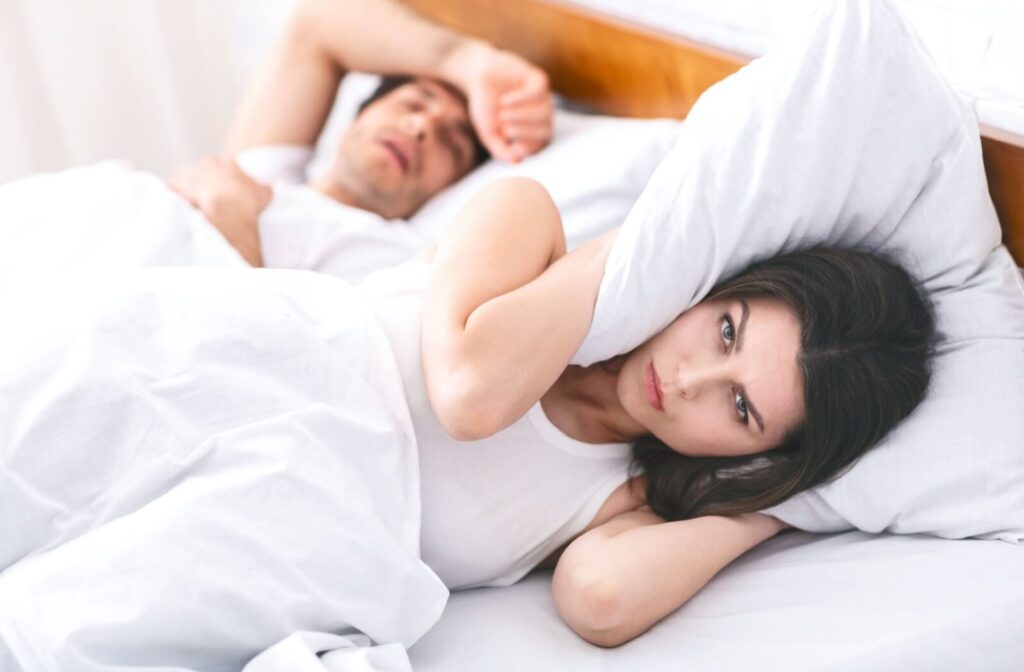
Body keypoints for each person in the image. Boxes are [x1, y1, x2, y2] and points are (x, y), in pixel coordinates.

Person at [389, 176, 936, 647]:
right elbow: (469, 397)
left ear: (758, 454)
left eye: (740, 408)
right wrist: (633, 245)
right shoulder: (524, 225)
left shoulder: (624, 501)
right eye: (727, 332)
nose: (688, 382)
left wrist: (778, 507)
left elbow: (600, 599)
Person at [168, 0, 554, 278]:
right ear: (359, 114)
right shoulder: (261, 175)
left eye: (452, 145)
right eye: (413, 102)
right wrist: (468, 63)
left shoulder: (400, 262)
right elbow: (316, 22)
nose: (421, 126)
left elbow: (270, 353)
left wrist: (232, 219)